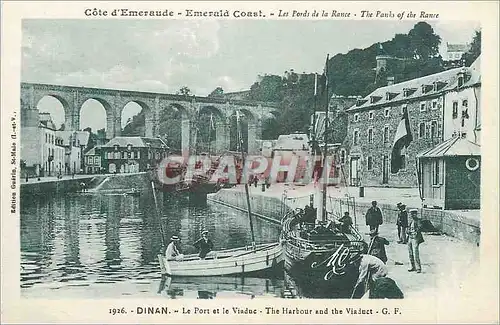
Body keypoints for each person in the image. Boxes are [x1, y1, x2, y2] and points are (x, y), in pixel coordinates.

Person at [407, 209, 424, 273]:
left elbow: (420, 228)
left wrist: (416, 232)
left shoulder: (418, 221)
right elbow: (408, 228)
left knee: (415, 253)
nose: (411, 215)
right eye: (411, 214)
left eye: (412, 214)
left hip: (415, 238)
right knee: (410, 253)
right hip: (410, 238)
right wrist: (408, 231)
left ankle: (418, 268)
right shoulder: (411, 221)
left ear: (415, 214)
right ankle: (413, 266)